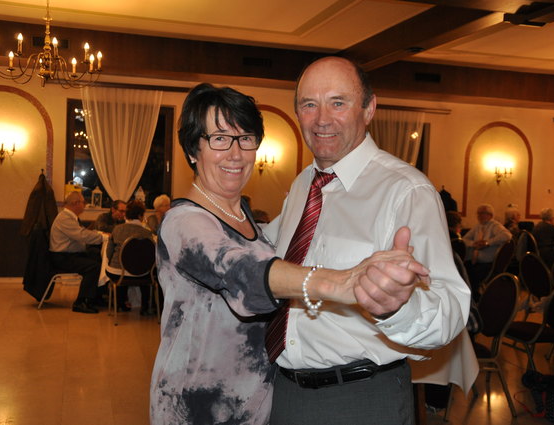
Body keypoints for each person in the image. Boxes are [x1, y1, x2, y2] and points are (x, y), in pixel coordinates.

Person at [149, 82, 429, 425]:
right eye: (219, 139)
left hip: (261, 404)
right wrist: (342, 282)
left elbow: (305, 241)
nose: (235, 154)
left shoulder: (246, 218)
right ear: (193, 150)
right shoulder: (184, 222)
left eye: (246, 138)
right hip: (201, 407)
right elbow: (244, 272)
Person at [262, 56, 470, 425]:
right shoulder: (302, 185)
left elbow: (449, 312)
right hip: (284, 391)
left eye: (338, 103)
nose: (322, 118)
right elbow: (268, 255)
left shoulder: (406, 190)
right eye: (309, 104)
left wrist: (394, 307)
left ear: (369, 109)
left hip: (359, 399)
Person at [49, 191, 105, 314]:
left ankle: (96, 297)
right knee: (93, 267)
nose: (85, 205)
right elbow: (81, 235)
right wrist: (103, 237)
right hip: (62, 257)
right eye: (83, 202)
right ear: (75, 203)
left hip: (68, 254)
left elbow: (81, 234)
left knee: (98, 257)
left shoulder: (70, 217)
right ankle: (81, 302)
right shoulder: (65, 218)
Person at [106, 199, 155, 315]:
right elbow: (151, 257)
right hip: (141, 273)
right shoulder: (147, 233)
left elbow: (109, 253)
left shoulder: (117, 229)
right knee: (146, 270)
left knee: (120, 268)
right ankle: (145, 306)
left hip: (118, 272)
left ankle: (119, 303)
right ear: (140, 216)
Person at [462, 203, 512, 296]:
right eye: (478, 213)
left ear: (490, 215)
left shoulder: (494, 225)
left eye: (482, 213)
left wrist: (488, 242)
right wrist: (473, 243)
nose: (479, 216)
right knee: (462, 267)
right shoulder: (478, 226)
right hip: (476, 259)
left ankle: (475, 297)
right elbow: (464, 239)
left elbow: (507, 236)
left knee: (469, 272)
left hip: (487, 262)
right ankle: (471, 295)